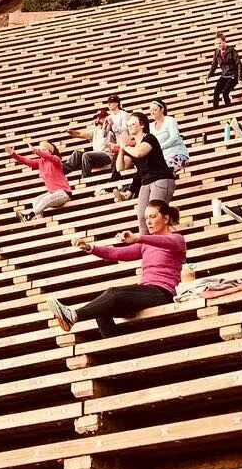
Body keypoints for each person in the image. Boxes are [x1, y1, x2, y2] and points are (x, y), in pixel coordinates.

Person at [50, 203, 186, 339]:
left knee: (113, 293)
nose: (148, 222)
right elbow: (116, 253)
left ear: (166, 219)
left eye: (152, 217)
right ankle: (116, 352)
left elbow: (166, 242)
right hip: (145, 293)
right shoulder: (146, 244)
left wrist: (138, 238)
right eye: (146, 218)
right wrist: (90, 248)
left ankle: (73, 315)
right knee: (102, 310)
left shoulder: (177, 239)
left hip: (163, 293)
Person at [115, 112, 175, 232]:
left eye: (133, 124)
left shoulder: (149, 138)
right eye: (128, 124)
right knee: (143, 218)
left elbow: (139, 152)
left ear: (142, 125)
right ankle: (146, 248)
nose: (129, 126)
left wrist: (125, 146)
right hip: (145, 183)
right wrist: (122, 148)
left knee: (155, 215)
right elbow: (120, 167)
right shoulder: (133, 146)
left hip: (160, 179)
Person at [10, 142, 73, 220]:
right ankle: (40, 221)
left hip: (64, 193)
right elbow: (26, 161)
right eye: (41, 149)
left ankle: (28, 216)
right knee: (36, 201)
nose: (42, 151)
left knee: (44, 199)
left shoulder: (56, 159)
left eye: (44, 149)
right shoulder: (40, 162)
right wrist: (14, 155)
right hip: (52, 193)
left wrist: (37, 151)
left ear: (50, 151)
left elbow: (50, 157)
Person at [147, 99, 190, 174]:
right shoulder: (151, 126)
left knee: (164, 170)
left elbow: (174, 137)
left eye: (155, 110)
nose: (152, 112)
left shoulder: (170, 120)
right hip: (163, 158)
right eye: (150, 110)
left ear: (162, 109)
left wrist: (160, 147)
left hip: (177, 154)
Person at [206, 30, 242, 109]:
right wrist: (209, 75)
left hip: (233, 75)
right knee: (216, 91)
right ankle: (215, 110)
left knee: (225, 92)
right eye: (216, 44)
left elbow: (239, 64)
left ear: (224, 42)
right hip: (224, 75)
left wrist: (240, 78)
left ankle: (228, 109)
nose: (218, 45)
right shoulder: (217, 53)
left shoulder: (232, 51)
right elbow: (214, 65)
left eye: (219, 43)